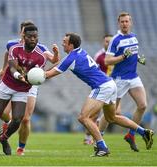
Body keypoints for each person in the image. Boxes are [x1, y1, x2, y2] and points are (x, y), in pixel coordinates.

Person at [44, 32, 154, 156]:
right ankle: (144, 132)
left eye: (64, 42)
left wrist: (30, 76)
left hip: (102, 87)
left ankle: (102, 147)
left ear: (71, 45)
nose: (62, 44)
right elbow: (58, 64)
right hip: (110, 84)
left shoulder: (71, 58)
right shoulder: (80, 52)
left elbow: (49, 75)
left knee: (83, 117)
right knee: (111, 118)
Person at [0, 25, 59, 155]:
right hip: (8, 84)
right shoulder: (13, 46)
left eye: (35, 36)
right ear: (23, 35)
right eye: (29, 36)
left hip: (25, 87)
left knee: (21, 119)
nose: (33, 39)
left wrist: (34, 77)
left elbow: (38, 72)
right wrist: (12, 72)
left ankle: (9, 141)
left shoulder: (41, 54)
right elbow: (11, 65)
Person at [99, 12, 147, 152]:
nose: (125, 24)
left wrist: (138, 58)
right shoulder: (115, 40)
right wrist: (122, 57)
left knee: (143, 105)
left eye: (127, 21)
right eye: (122, 22)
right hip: (119, 79)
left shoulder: (134, 37)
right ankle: (99, 138)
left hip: (133, 77)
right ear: (118, 23)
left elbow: (132, 52)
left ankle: (131, 135)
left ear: (130, 22)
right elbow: (107, 60)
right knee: (111, 113)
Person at [83, 34, 113, 145]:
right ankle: (87, 137)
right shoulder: (99, 56)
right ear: (103, 42)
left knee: (114, 114)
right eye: (106, 41)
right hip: (101, 87)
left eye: (110, 42)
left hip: (112, 87)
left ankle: (100, 128)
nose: (108, 44)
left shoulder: (116, 55)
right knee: (93, 115)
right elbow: (94, 71)